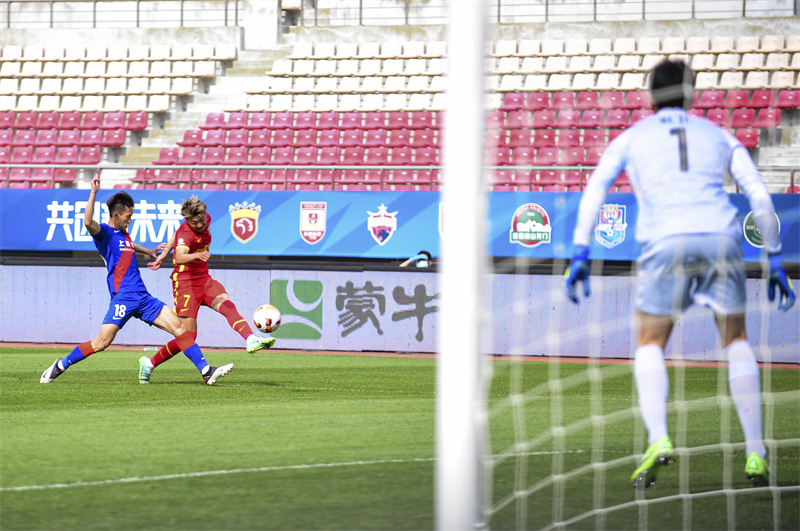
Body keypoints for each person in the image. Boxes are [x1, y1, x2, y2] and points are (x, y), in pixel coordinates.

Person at [564, 60, 795, 490]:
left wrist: (581, 250)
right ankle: (755, 451)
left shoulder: (631, 138)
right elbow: (758, 193)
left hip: (664, 240)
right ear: (692, 95)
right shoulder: (719, 135)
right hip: (720, 237)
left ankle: (659, 437)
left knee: (650, 341)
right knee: (736, 339)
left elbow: (595, 188)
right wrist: (775, 258)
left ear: (650, 96)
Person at [40, 176, 234, 386]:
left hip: (143, 297)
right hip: (123, 298)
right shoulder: (104, 233)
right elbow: (87, 222)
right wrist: (93, 193)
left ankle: (206, 371)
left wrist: (149, 251)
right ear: (116, 215)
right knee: (101, 342)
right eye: (128, 216)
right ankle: (61, 364)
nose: (130, 220)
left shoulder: (124, 235)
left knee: (180, 329)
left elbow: (129, 246)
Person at [141, 196, 275, 384]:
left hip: (204, 279)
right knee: (188, 336)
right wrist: (196, 255)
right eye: (194, 223)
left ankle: (250, 339)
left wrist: (163, 254)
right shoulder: (187, 233)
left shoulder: (203, 218)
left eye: (201, 220)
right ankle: (149, 364)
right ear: (188, 221)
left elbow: (176, 233)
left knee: (226, 304)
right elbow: (179, 257)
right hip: (186, 283)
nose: (199, 225)